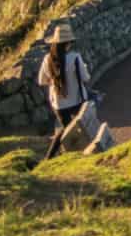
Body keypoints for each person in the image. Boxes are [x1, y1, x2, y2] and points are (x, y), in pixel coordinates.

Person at [37, 23, 95, 161]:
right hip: (77, 100)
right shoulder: (75, 57)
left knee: (65, 129)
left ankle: (50, 157)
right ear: (68, 43)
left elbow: (42, 81)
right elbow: (86, 77)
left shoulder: (47, 59)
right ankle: (87, 151)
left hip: (58, 103)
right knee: (85, 125)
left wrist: (55, 81)